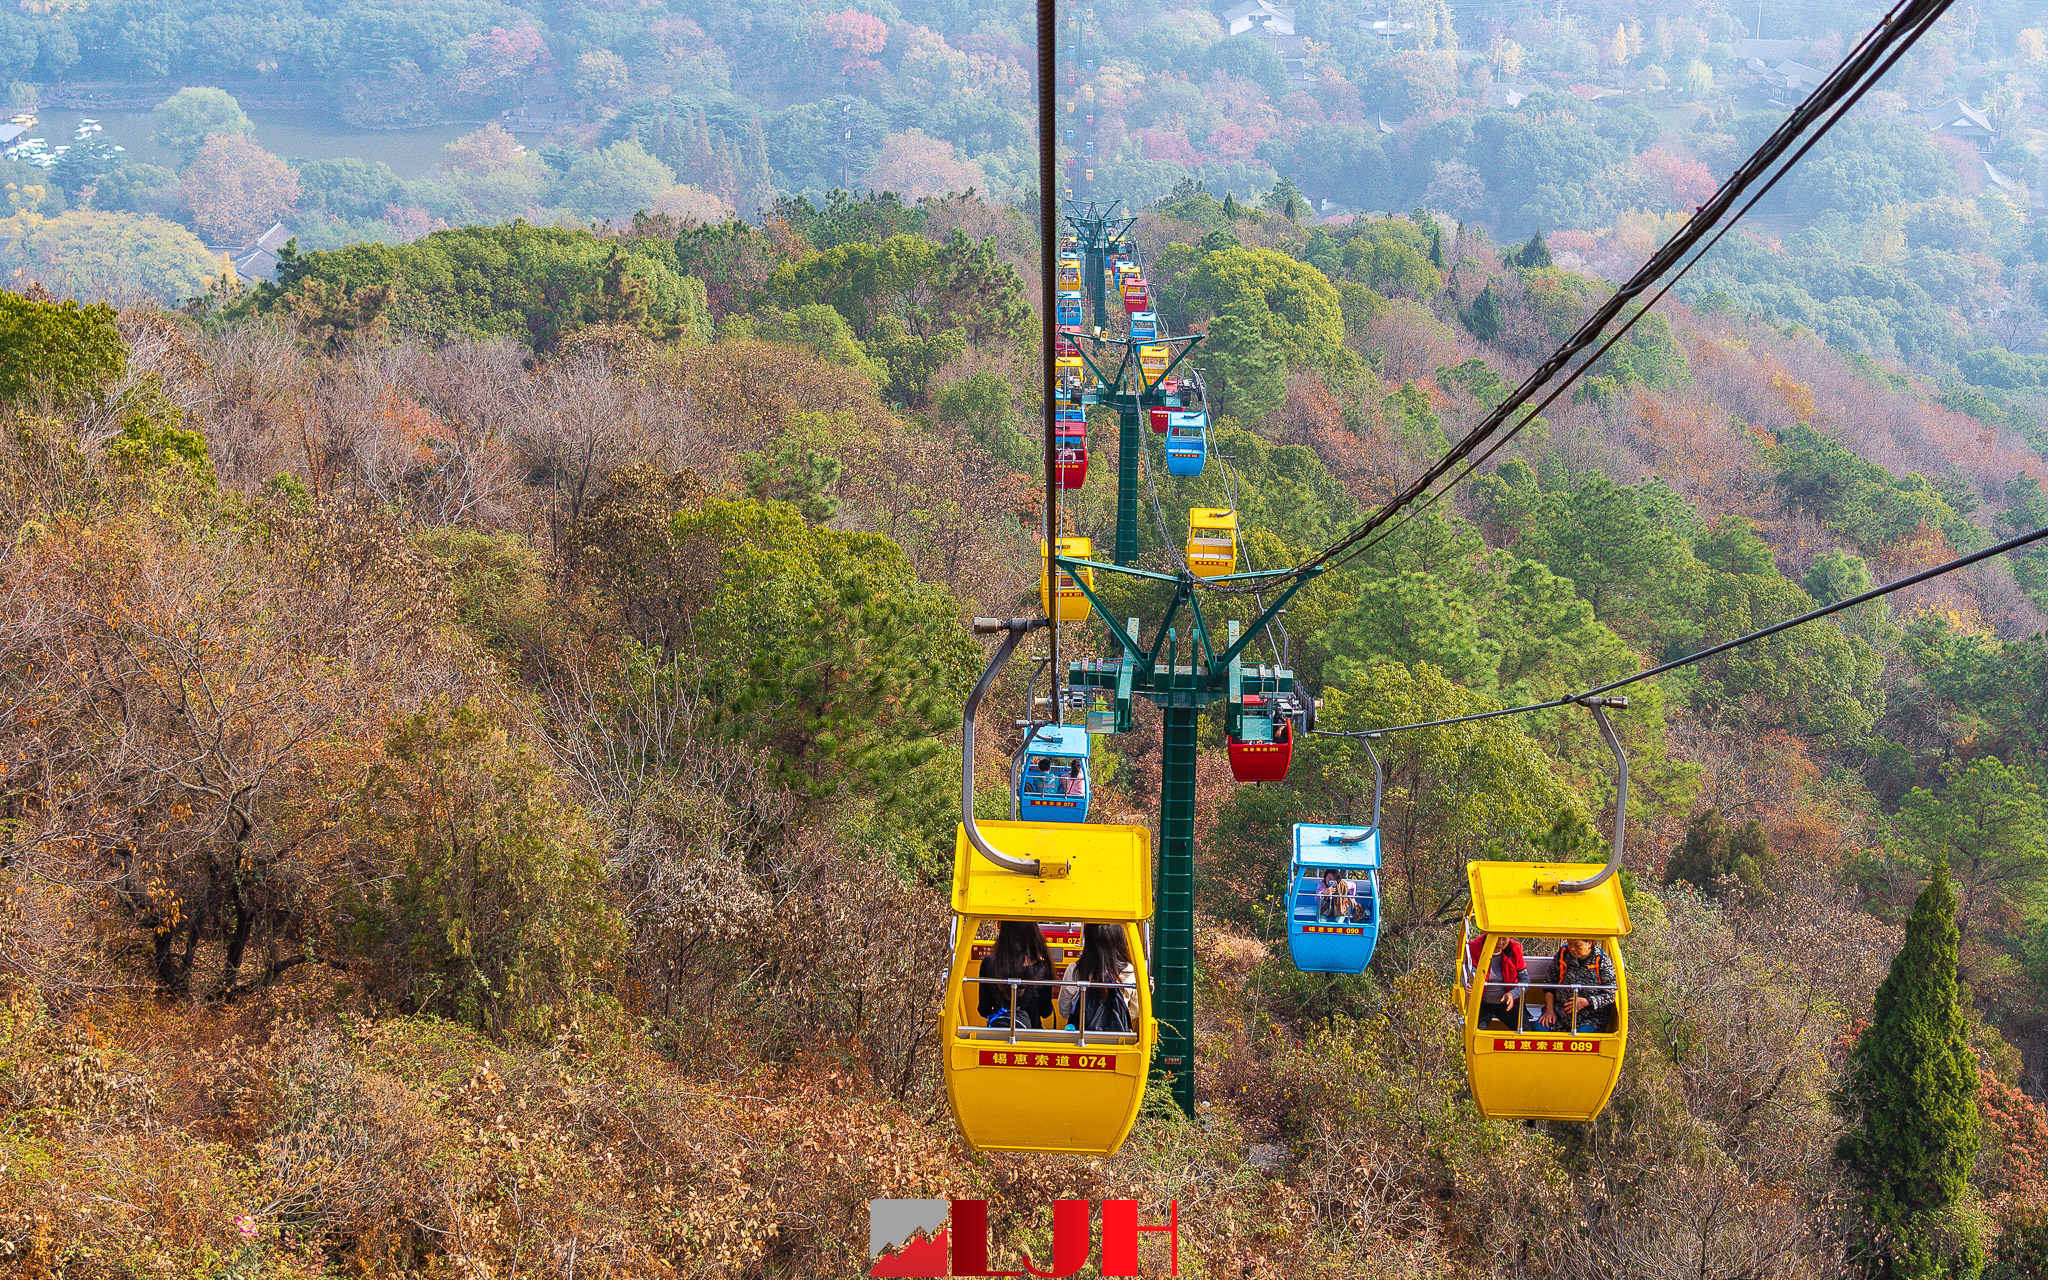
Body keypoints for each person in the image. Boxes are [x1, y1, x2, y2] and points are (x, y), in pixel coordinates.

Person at [979, 921, 1057, 1029]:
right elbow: (1045, 1012)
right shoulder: (1042, 968)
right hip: (1031, 1036)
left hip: (998, 1036)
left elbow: (984, 1010)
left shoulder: (989, 964)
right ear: (1033, 932)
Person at [1060, 923, 1136, 1032]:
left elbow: (1064, 1010)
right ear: (1119, 939)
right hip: (1118, 1039)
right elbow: (1136, 1011)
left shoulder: (1075, 970)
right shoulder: (1129, 971)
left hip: (1080, 1037)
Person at [1542, 938, 1617, 1033]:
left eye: (1577, 945)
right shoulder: (1563, 954)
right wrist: (1549, 1010)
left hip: (1590, 1017)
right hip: (1560, 1013)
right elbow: (1549, 982)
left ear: (1589, 943)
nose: (1572, 948)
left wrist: (1586, 1002)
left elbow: (1610, 995)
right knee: (1540, 1029)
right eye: (1569, 944)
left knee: (1581, 1036)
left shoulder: (1602, 961)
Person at [1467, 923, 1527, 1031]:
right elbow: (1470, 974)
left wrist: (1512, 994)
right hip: (1482, 1002)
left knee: (1525, 1030)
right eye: (1496, 938)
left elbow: (1525, 979)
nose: (1499, 943)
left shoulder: (1515, 948)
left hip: (1507, 1003)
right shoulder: (1475, 947)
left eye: (1504, 939)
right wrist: (1470, 986)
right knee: (1474, 1031)